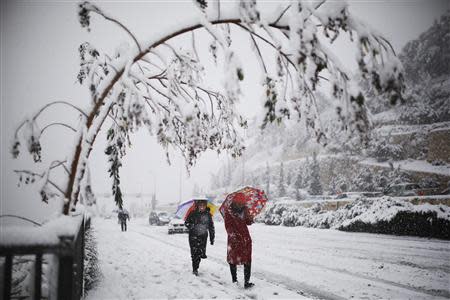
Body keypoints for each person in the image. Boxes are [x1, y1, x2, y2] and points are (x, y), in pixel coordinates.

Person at [223, 193, 254, 288]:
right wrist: (233, 237)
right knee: (233, 260)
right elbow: (228, 226)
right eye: (238, 203)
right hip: (234, 240)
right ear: (234, 202)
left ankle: (246, 282)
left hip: (245, 238)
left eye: (242, 203)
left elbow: (248, 222)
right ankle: (234, 280)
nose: (240, 205)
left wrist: (250, 219)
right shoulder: (229, 212)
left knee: (247, 260)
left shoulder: (245, 210)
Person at [184, 200, 215, 276]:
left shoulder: (208, 215)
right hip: (193, 236)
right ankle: (195, 269)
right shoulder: (192, 213)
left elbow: (211, 227)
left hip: (203, 236)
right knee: (194, 253)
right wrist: (191, 226)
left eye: (203, 205)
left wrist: (212, 238)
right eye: (200, 205)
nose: (202, 207)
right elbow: (186, 223)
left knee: (200, 253)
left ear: (205, 206)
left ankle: (196, 266)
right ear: (197, 206)